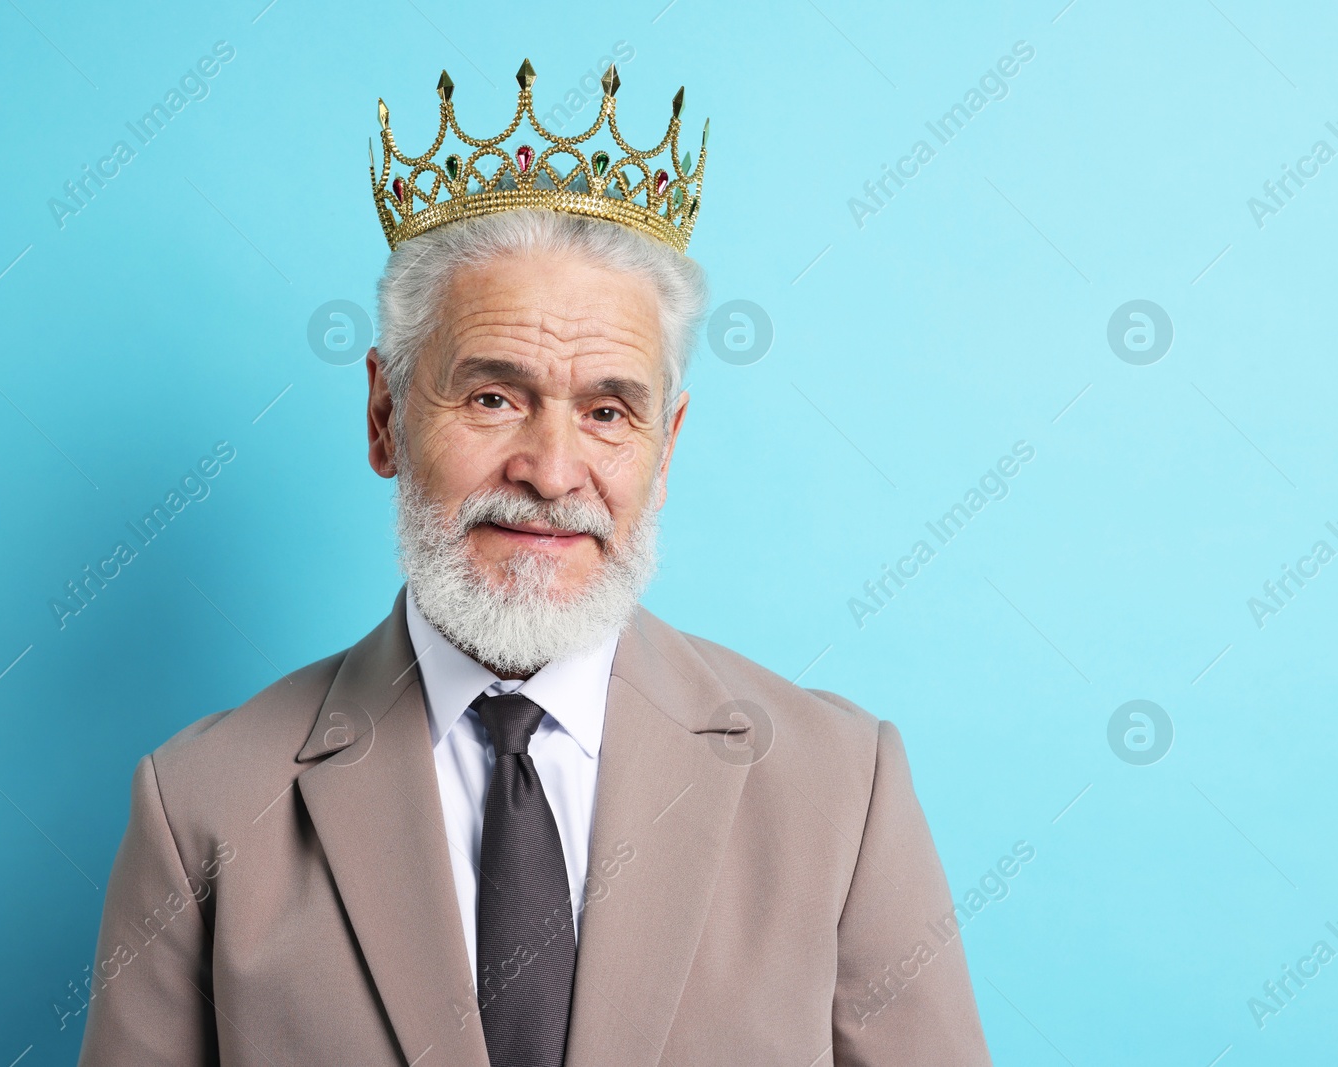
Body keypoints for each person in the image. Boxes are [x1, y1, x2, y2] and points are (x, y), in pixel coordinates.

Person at [76, 58, 991, 1066]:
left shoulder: (840, 789)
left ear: (666, 445)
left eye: (607, 411)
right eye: (492, 397)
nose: (552, 472)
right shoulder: (201, 803)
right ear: (384, 415)